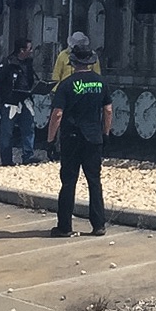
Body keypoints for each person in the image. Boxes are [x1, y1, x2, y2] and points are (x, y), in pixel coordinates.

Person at [46, 43, 112, 237]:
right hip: (94, 137)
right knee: (94, 181)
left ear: (73, 62)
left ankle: (65, 226)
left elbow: (57, 114)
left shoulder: (66, 85)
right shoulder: (101, 83)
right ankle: (98, 225)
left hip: (72, 138)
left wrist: (50, 140)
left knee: (68, 181)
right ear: (90, 62)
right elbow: (108, 110)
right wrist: (106, 133)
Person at [0, 39, 39, 166]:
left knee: (29, 128)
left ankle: (28, 155)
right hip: (10, 101)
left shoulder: (28, 64)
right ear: (22, 50)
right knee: (7, 132)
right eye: (29, 49)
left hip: (25, 99)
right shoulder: (7, 63)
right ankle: (6, 160)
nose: (31, 51)